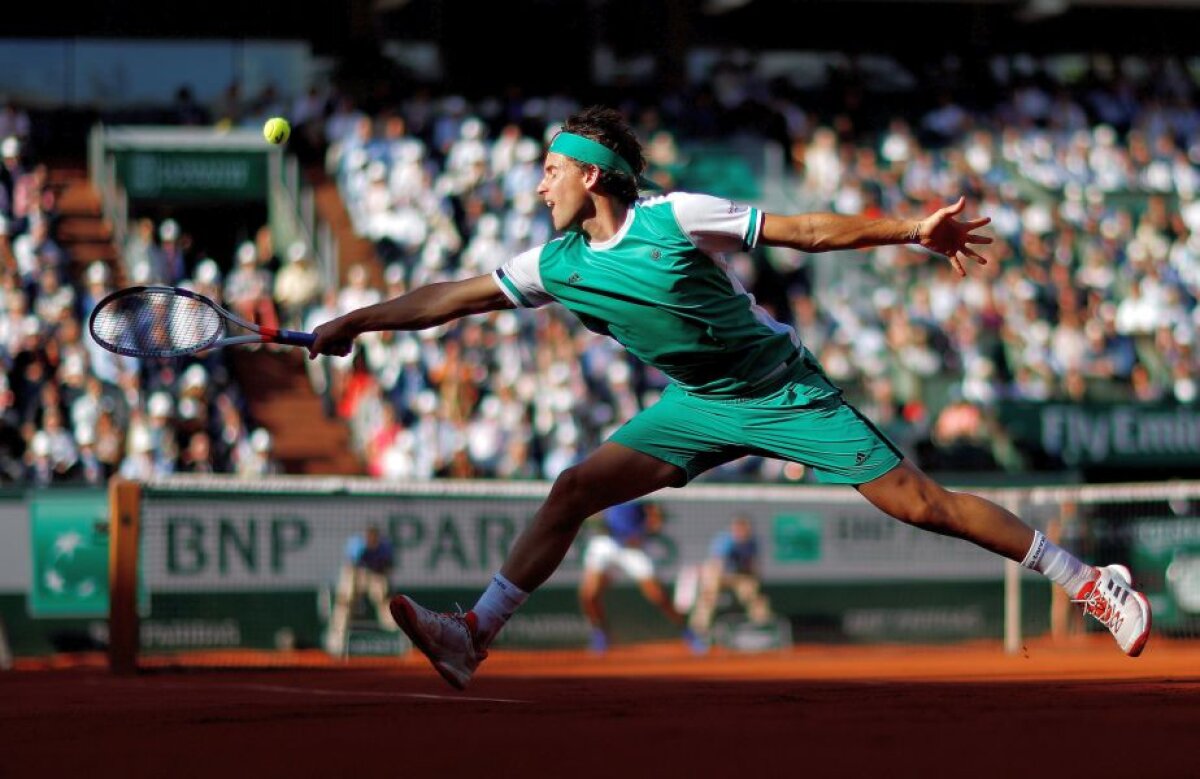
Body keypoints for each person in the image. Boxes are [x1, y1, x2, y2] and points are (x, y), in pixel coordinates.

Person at [309, 106, 1152, 690]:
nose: (540, 186)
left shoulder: (675, 217)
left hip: (785, 389)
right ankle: (474, 636)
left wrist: (911, 231)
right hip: (699, 401)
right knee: (574, 488)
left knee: (921, 503)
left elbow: (810, 232)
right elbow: (448, 298)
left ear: (595, 175)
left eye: (552, 170)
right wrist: (354, 321)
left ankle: (1088, 580)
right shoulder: (553, 263)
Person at [578, 500, 699, 653]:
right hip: (606, 544)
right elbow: (594, 514)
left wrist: (643, 531)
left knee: (657, 595)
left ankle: (687, 631)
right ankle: (601, 634)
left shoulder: (639, 490)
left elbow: (655, 517)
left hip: (632, 549)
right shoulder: (604, 488)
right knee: (588, 594)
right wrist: (596, 519)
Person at [688, 515, 773, 643]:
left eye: (745, 530)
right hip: (719, 572)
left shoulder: (753, 542)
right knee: (708, 593)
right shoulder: (724, 540)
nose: (742, 532)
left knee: (753, 594)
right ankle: (699, 630)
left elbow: (753, 565)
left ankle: (761, 626)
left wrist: (754, 581)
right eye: (738, 529)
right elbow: (717, 564)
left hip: (739, 574)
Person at [326, 525, 396, 655]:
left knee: (386, 601)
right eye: (370, 538)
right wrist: (351, 594)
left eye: (375, 538)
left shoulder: (385, 547)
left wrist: (384, 590)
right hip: (356, 573)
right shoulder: (357, 544)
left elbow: (388, 567)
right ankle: (336, 642)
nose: (372, 540)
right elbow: (351, 566)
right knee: (344, 602)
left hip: (376, 573)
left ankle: (395, 636)